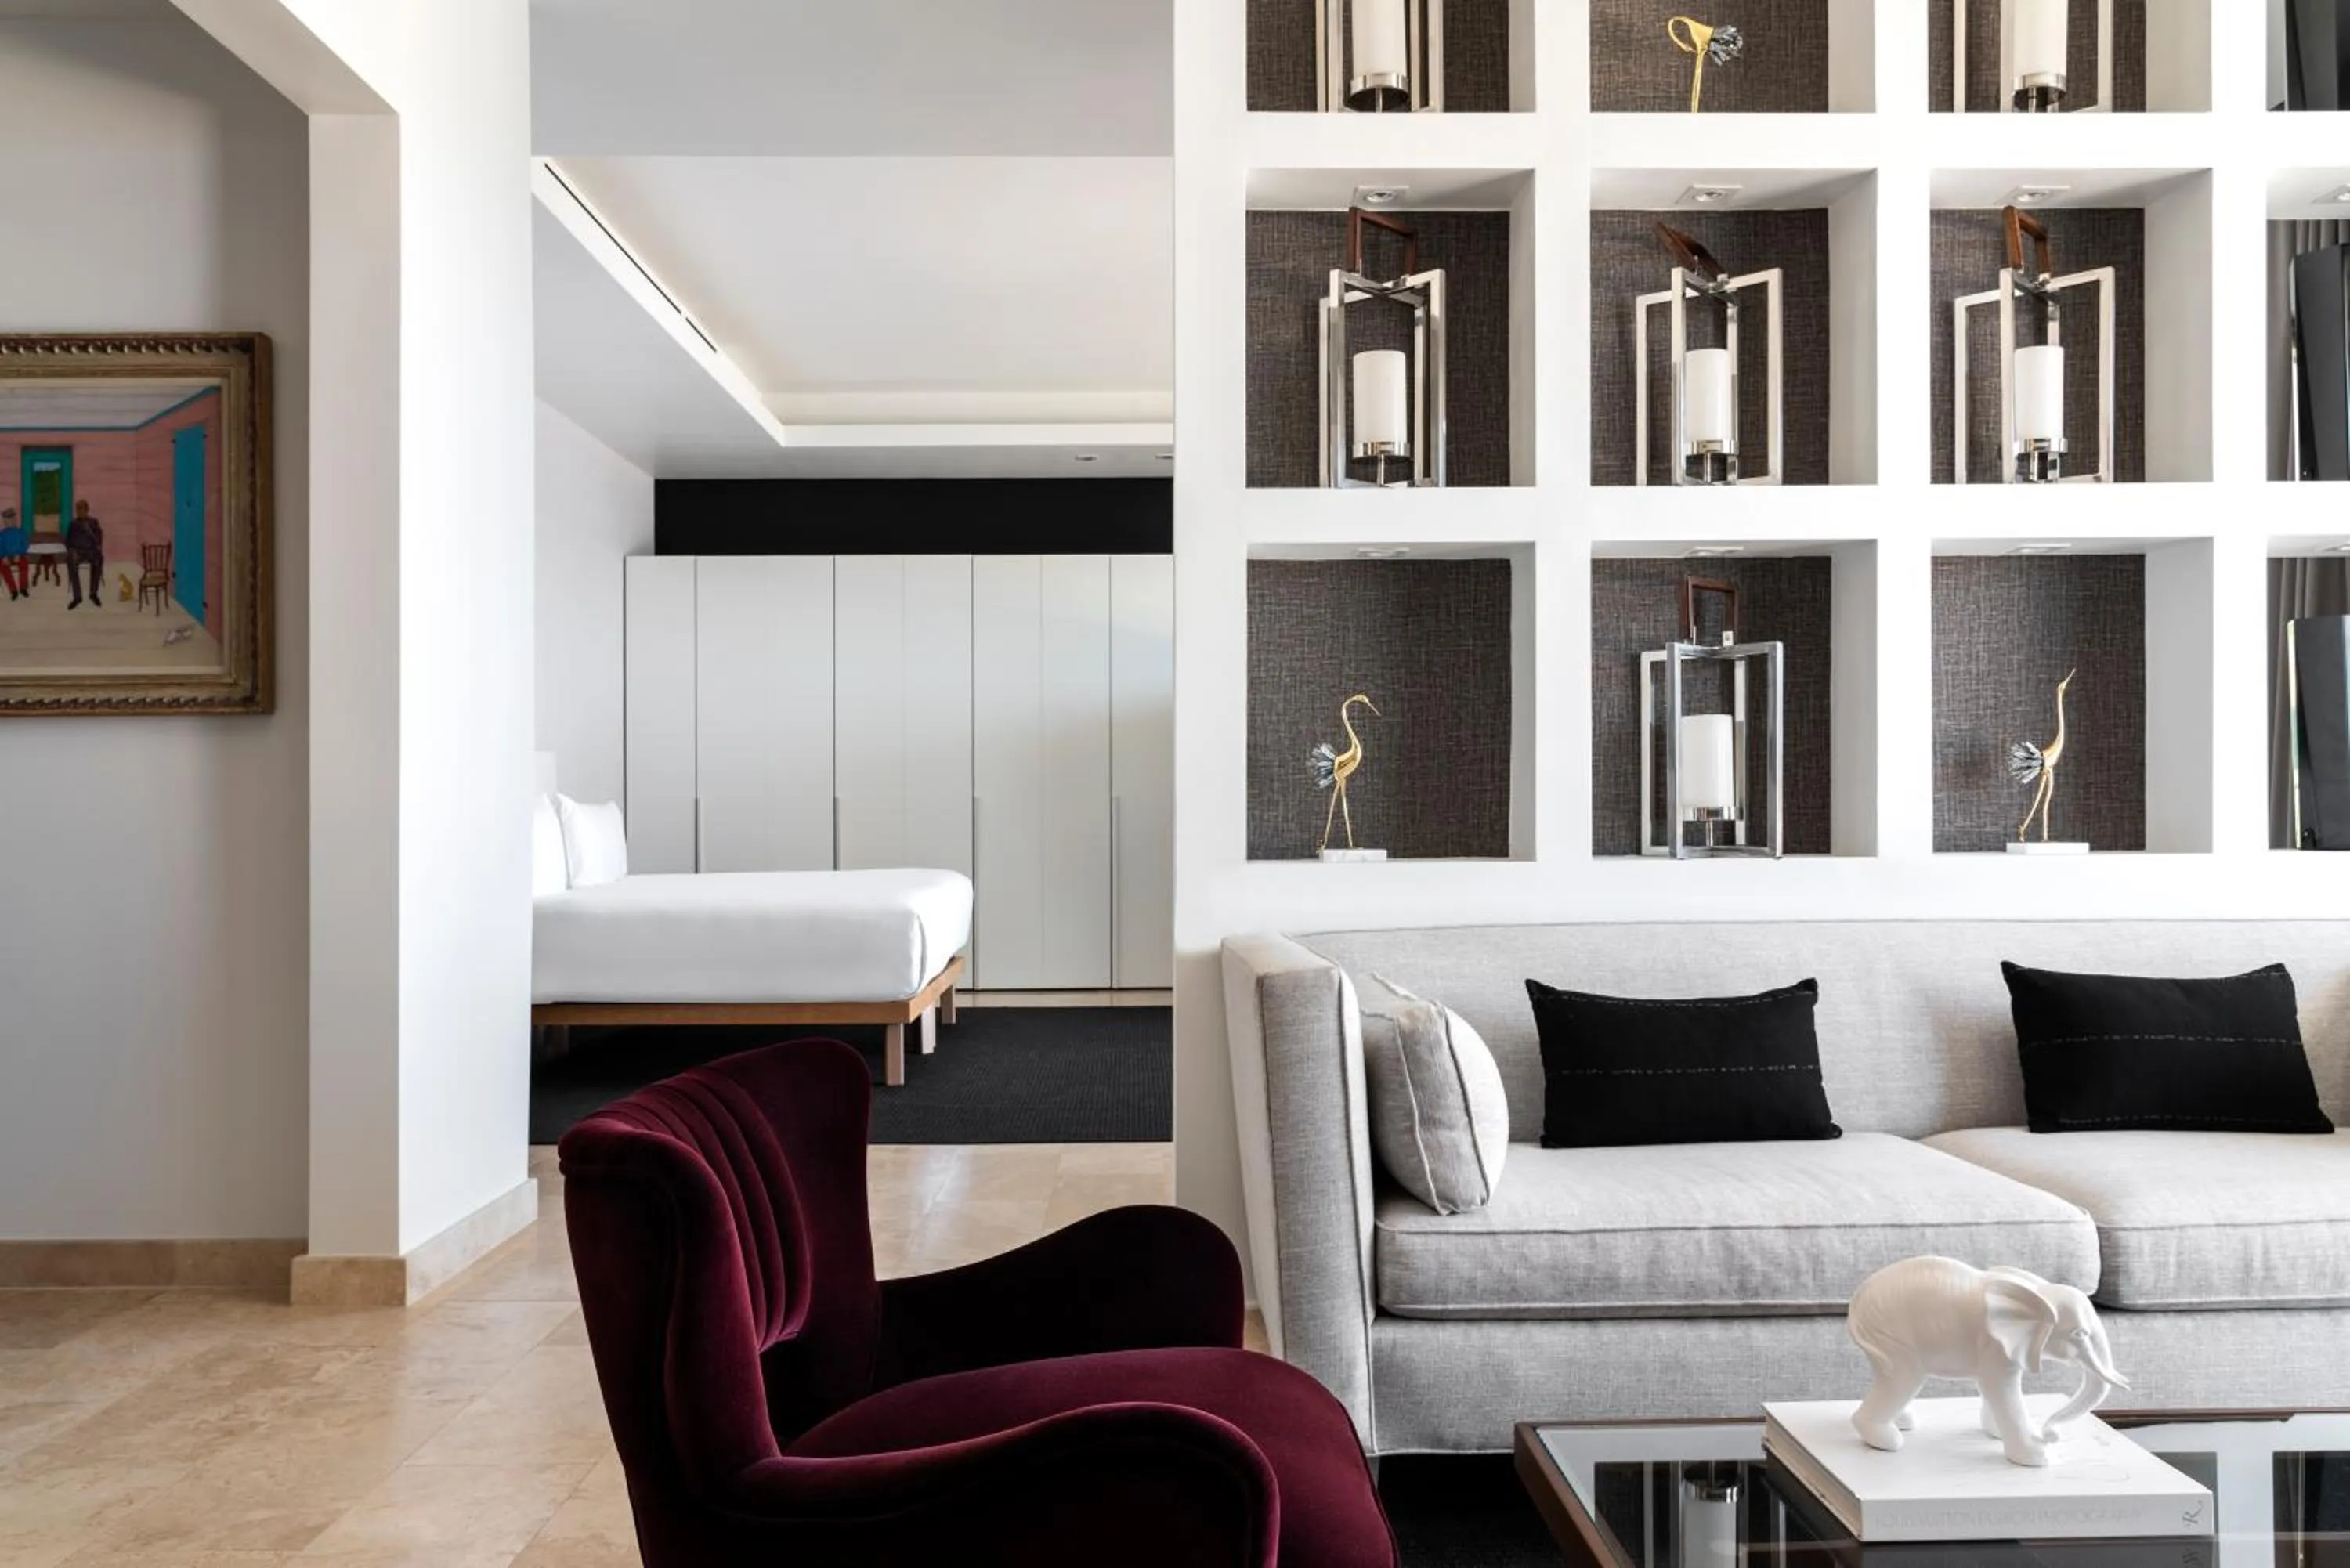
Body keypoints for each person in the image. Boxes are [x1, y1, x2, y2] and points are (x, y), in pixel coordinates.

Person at [64, 499, 103, 611]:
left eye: (81, 510)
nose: (79, 512)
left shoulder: (94, 522)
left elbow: (98, 541)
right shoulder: (73, 524)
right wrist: (72, 550)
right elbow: (67, 541)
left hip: (90, 551)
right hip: (77, 552)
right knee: (71, 562)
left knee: (99, 560)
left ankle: (93, 593)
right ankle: (77, 597)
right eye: (77, 510)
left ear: (87, 510)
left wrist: (89, 531)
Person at [0, 508, 25, 601]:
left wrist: (19, 554)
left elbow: (25, 545)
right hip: (6, 556)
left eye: (13, 519)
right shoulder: (2, 534)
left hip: (18, 555)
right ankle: (13, 590)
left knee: (24, 565)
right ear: (5, 521)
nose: (11, 521)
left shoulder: (21, 532)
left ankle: (23, 588)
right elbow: (0, 547)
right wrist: (3, 556)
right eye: (8, 519)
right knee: (3, 567)